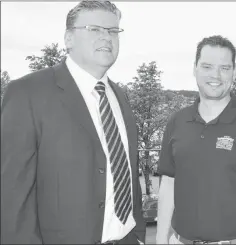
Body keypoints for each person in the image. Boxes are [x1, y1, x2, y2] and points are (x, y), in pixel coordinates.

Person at [1, 1, 146, 244]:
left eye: (113, 31)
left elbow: (127, 173)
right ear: (69, 39)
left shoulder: (119, 96)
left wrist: (138, 235)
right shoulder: (27, 93)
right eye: (94, 29)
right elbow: (11, 195)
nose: (106, 37)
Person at [155, 35, 236, 244]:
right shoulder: (177, 121)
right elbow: (168, 184)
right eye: (207, 66)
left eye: (224, 68)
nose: (216, 75)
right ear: (194, 68)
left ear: (234, 72)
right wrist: (160, 239)